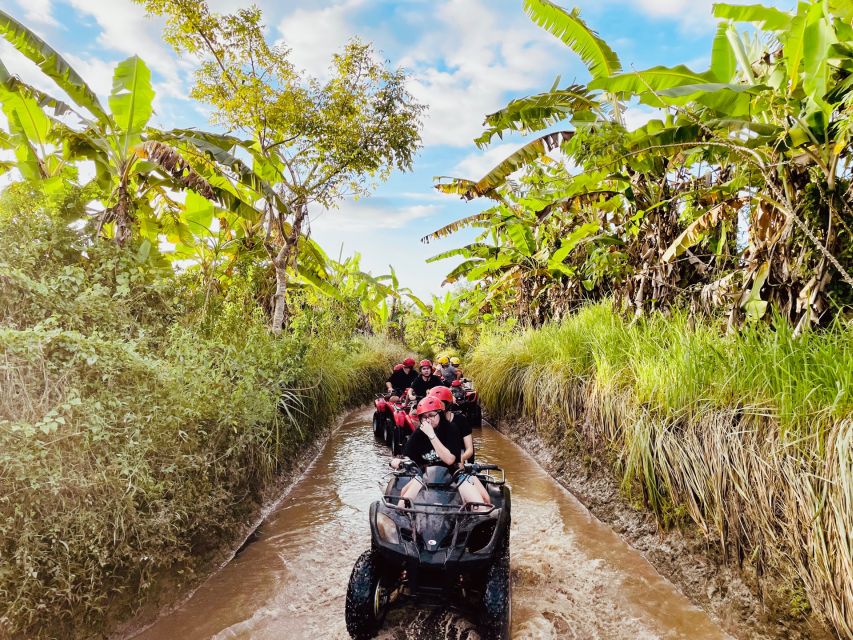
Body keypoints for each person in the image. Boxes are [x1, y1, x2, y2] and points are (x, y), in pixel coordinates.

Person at [390, 397, 488, 508]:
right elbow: (406, 455)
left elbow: (450, 460)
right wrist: (398, 461)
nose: (428, 420)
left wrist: (432, 435)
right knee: (402, 504)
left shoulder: (451, 429)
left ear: (440, 414)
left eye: (431, 415)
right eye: (424, 417)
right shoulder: (418, 433)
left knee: (480, 505)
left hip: (454, 475)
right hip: (426, 477)